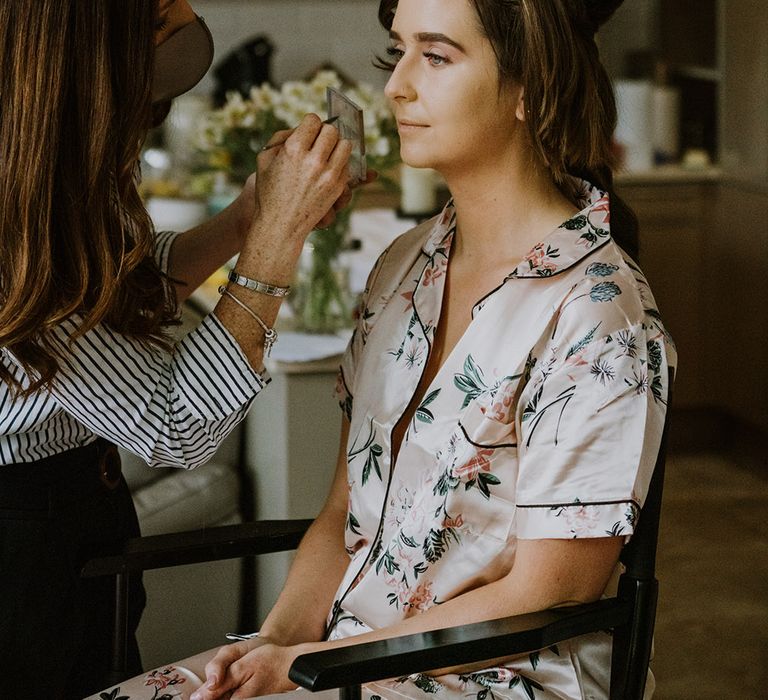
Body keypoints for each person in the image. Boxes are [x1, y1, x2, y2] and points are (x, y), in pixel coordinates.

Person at [88, 0, 676, 698]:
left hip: (497, 674)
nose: (395, 85)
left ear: (530, 88)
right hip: (344, 652)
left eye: (435, 55)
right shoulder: (404, 264)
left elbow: (550, 592)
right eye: (396, 52)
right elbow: (342, 518)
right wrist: (275, 643)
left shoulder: (600, 314)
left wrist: (314, 664)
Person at [0, 0, 357, 697]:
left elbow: (115, 292)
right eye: (162, 9)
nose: (188, 13)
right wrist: (275, 240)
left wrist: (246, 218)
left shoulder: (45, 160)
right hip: (21, 553)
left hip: (74, 511)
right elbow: (175, 422)